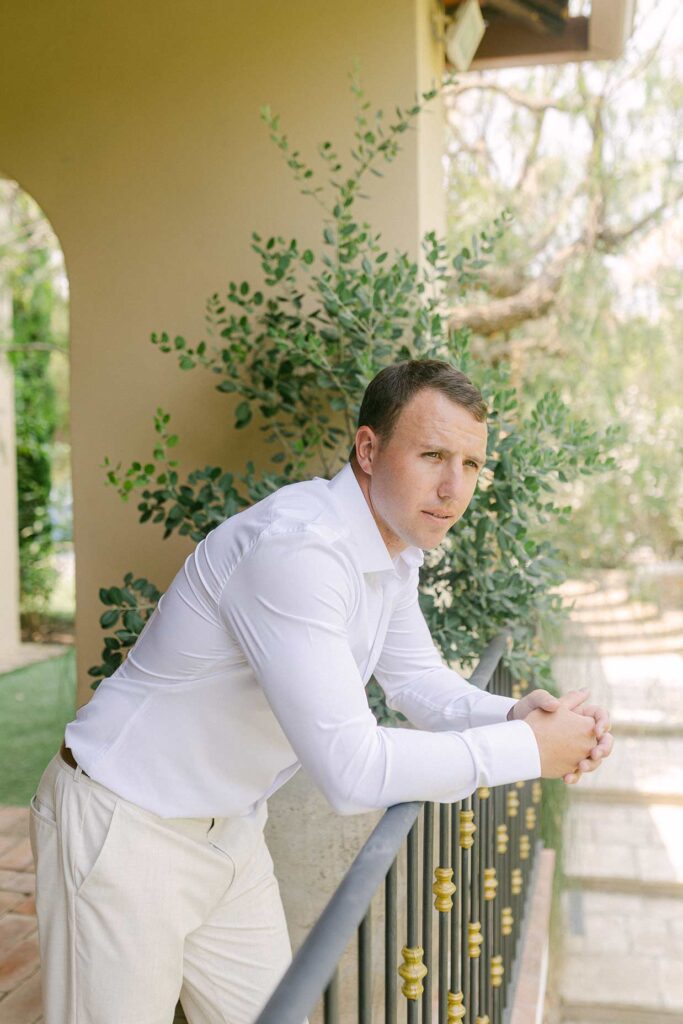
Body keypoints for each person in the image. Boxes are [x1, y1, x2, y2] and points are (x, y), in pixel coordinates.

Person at [29, 358, 613, 1024]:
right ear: (368, 449)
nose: (453, 488)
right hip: (123, 829)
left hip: (229, 833)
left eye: (471, 465)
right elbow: (350, 769)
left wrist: (512, 712)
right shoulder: (298, 552)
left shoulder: (390, 549)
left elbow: (416, 679)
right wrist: (528, 751)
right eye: (431, 456)